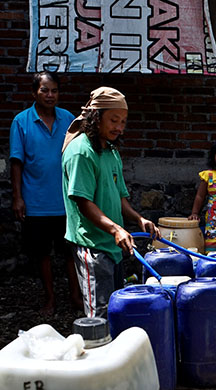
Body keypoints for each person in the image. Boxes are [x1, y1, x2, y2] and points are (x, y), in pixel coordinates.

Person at [61, 87, 156, 319]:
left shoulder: (111, 151)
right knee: (98, 313)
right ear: (96, 117)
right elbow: (83, 202)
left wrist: (138, 219)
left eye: (123, 121)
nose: (119, 127)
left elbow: (119, 197)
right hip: (92, 245)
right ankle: (96, 351)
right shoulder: (81, 152)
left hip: (112, 245)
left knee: (115, 308)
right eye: (114, 120)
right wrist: (115, 228)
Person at [9, 72, 80, 313]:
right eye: (44, 90)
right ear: (34, 93)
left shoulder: (69, 119)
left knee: (70, 252)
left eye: (54, 91)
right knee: (42, 254)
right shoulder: (21, 121)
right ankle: (50, 298)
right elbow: (16, 162)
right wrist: (18, 198)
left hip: (65, 200)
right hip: (36, 201)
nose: (50, 95)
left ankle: (75, 296)